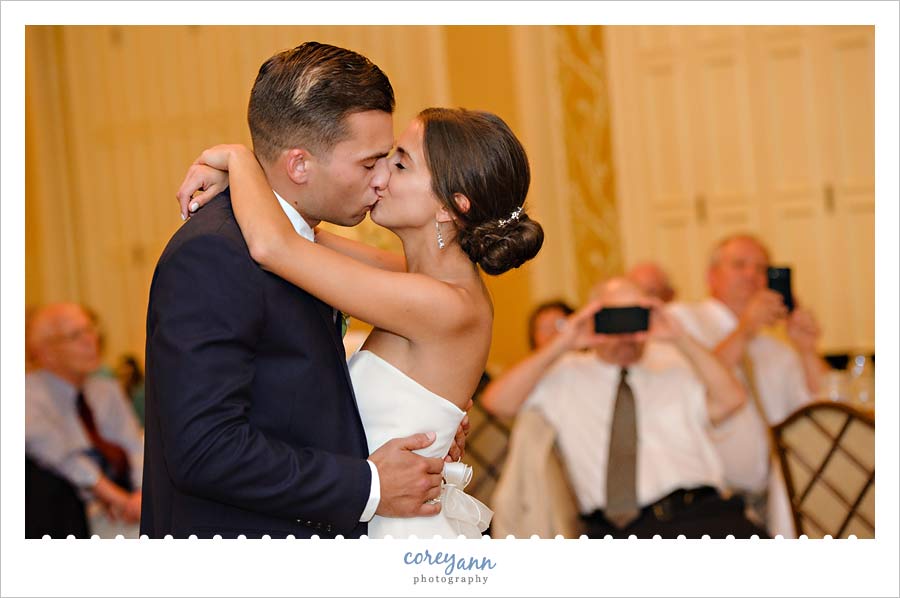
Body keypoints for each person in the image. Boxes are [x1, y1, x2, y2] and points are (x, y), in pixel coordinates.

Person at [177, 102, 543, 538]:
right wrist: (246, 187)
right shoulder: (416, 280)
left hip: (396, 530)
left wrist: (240, 159)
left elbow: (275, 247)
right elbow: (302, 234)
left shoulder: (443, 304)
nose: (380, 176)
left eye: (401, 164)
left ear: (451, 206)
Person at [492, 278, 767, 538]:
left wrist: (680, 337)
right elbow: (498, 402)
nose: (626, 334)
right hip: (618, 531)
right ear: (594, 317)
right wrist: (562, 343)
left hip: (702, 514)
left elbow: (732, 400)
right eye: (614, 318)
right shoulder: (565, 375)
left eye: (634, 316)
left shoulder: (671, 368)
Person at [667, 233, 828, 535]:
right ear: (712, 276)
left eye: (761, 268)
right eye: (739, 265)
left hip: (773, 502)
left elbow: (821, 411)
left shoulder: (776, 349)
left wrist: (807, 350)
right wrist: (744, 329)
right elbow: (689, 387)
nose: (752, 275)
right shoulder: (684, 321)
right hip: (708, 507)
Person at [25, 303, 144, 537]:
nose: (91, 340)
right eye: (76, 335)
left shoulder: (107, 389)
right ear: (45, 351)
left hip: (128, 506)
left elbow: (135, 446)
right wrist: (121, 500)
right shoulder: (26, 395)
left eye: (91, 329)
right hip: (70, 518)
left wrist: (142, 494)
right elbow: (64, 457)